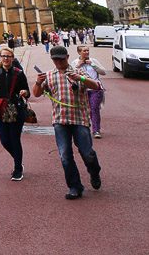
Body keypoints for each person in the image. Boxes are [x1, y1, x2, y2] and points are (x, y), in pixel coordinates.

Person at [33, 45, 102, 199]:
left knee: (87, 153)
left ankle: (94, 171)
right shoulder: (49, 75)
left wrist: (81, 78)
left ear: (67, 58)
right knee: (65, 155)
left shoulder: (78, 71)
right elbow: (36, 94)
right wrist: (38, 82)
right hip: (60, 120)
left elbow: (96, 85)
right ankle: (75, 186)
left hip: (79, 119)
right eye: (55, 59)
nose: (58, 62)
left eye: (61, 59)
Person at [0, 46, 29, 181]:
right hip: (1, 109)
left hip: (16, 109)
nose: (5, 59)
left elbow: (27, 90)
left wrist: (24, 92)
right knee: (4, 140)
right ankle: (18, 161)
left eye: (8, 56)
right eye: (3, 56)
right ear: (0, 58)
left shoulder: (18, 73)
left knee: (15, 139)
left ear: (12, 58)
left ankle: (17, 169)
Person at [72, 45, 106, 138]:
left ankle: (96, 130)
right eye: (84, 51)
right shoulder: (75, 62)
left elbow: (103, 72)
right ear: (79, 52)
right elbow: (70, 75)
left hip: (95, 89)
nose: (87, 52)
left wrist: (93, 65)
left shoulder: (93, 61)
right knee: (82, 110)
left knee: (94, 108)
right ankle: (84, 128)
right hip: (82, 90)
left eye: (87, 50)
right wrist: (78, 66)